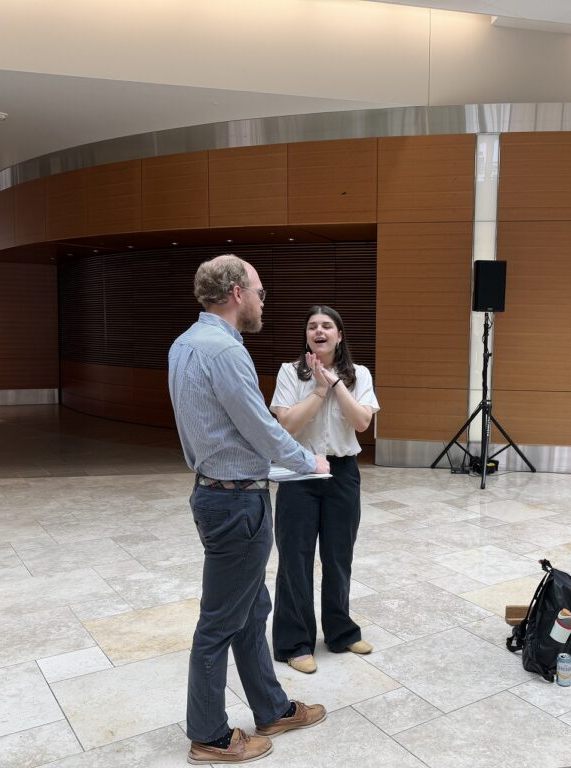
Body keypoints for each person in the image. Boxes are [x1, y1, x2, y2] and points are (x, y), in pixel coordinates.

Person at [168, 255, 328, 765]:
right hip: (237, 503)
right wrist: (307, 461)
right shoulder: (225, 351)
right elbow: (259, 425)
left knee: (251, 608)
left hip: (215, 493)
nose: (262, 301)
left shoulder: (184, 344)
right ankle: (209, 736)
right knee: (219, 623)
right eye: (259, 291)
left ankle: (272, 708)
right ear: (237, 292)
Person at [269, 306, 380, 674]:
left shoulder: (359, 374)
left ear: (339, 335)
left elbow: (362, 422)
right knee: (295, 560)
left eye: (327, 326)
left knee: (338, 556)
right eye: (312, 326)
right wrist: (318, 390)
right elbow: (287, 424)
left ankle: (341, 632)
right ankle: (294, 642)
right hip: (300, 472)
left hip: (342, 474)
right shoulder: (290, 372)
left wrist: (334, 384)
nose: (319, 331)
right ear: (306, 336)